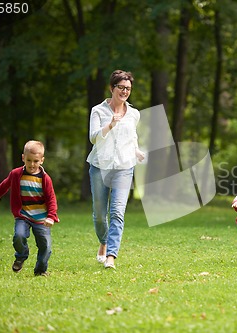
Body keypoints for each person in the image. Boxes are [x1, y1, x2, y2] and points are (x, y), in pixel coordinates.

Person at [87, 69, 145, 269]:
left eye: (128, 88)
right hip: (99, 166)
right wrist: (110, 125)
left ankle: (111, 255)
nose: (124, 91)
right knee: (99, 214)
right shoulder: (98, 111)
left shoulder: (134, 114)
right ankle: (103, 241)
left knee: (117, 212)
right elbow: (93, 137)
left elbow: (132, 137)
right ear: (112, 88)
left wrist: (136, 151)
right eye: (121, 87)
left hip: (123, 167)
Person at [0, 140, 59, 276]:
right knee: (19, 235)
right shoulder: (16, 174)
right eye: (29, 160)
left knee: (46, 246)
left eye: (36, 161)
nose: (32, 164)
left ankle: (40, 270)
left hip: (42, 218)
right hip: (23, 215)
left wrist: (51, 217)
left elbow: (51, 199)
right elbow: (5, 184)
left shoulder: (45, 179)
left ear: (42, 160)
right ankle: (21, 256)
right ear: (23, 158)